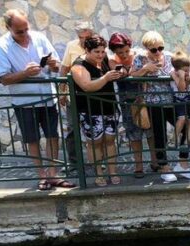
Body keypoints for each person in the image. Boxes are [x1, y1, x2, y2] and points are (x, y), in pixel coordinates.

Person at [0, 9, 74, 190]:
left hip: (47, 97)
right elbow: (4, 79)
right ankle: (41, 175)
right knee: (32, 139)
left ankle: (52, 173)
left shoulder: (39, 38)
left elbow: (57, 66)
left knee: (53, 135)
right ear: (8, 28)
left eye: (26, 29)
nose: (24, 34)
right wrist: (25, 73)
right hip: (24, 101)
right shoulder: (1, 46)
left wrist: (54, 65)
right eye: (19, 32)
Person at [70, 34, 124, 186]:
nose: (101, 55)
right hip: (89, 111)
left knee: (110, 141)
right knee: (94, 142)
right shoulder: (78, 65)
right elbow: (86, 86)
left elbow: (117, 68)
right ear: (87, 50)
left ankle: (112, 172)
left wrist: (121, 72)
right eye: (97, 52)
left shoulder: (105, 59)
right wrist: (106, 78)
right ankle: (99, 174)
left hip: (109, 107)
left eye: (102, 51)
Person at [131, 31, 184, 183]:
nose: (158, 52)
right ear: (146, 48)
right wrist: (146, 69)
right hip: (153, 101)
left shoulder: (168, 57)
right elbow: (132, 76)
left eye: (160, 48)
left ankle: (183, 163)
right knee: (159, 134)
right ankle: (163, 165)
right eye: (154, 49)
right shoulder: (140, 58)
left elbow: (180, 69)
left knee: (187, 126)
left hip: (172, 100)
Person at [108, 31, 157, 178]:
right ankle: (139, 165)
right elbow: (123, 75)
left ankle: (155, 161)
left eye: (126, 51)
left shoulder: (140, 55)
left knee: (150, 129)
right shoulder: (111, 60)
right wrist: (142, 70)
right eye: (120, 52)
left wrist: (137, 72)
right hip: (127, 100)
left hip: (145, 96)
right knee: (133, 132)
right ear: (114, 51)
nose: (123, 54)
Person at [169, 50, 190, 180]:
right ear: (177, 69)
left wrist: (189, 76)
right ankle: (173, 139)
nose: (187, 72)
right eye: (185, 70)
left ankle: (185, 142)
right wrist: (181, 77)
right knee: (181, 119)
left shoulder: (188, 73)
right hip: (179, 100)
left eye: (188, 69)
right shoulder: (172, 74)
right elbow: (181, 88)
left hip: (189, 100)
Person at [58, 21, 94, 106]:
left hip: (94, 90)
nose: (84, 40)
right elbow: (64, 68)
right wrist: (62, 92)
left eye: (87, 37)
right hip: (75, 93)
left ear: (92, 35)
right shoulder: (71, 45)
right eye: (81, 37)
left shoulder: (99, 45)